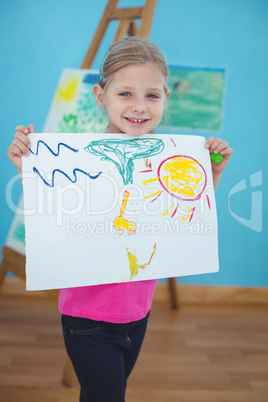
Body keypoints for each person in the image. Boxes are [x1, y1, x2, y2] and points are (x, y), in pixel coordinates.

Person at [7, 37, 233, 402]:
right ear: (101, 96)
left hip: (138, 313)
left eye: (152, 96)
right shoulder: (76, 162)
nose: (140, 107)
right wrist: (30, 171)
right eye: (126, 94)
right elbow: (58, 218)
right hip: (88, 321)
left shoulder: (168, 163)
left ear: (165, 99)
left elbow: (182, 221)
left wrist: (212, 176)